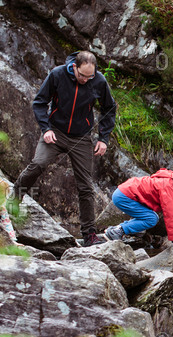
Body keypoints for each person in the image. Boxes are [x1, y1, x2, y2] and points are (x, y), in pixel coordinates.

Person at [13, 51, 116, 247]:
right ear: (74, 67)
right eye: (82, 75)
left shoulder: (99, 81)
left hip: (81, 137)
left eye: (89, 76)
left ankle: (89, 235)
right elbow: (39, 102)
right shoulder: (57, 75)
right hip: (56, 132)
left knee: (86, 186)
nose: (85, 80)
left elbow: (109, 108)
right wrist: (46, 129)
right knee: (38, 164)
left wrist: (103, 139)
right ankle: (13, 200)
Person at [104, 163, 173, 245]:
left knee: (150, 217)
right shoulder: (169, 188)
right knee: (151, 219)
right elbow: (170, 215)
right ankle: (117, 231)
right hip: (125, 196)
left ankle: (115, 230)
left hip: (124, 193)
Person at [0, 177, 19, 245]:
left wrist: (12, 241)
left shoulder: (1, 208)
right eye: (1, 197)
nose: (4, 200)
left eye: (5, 197)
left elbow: (6, 223)